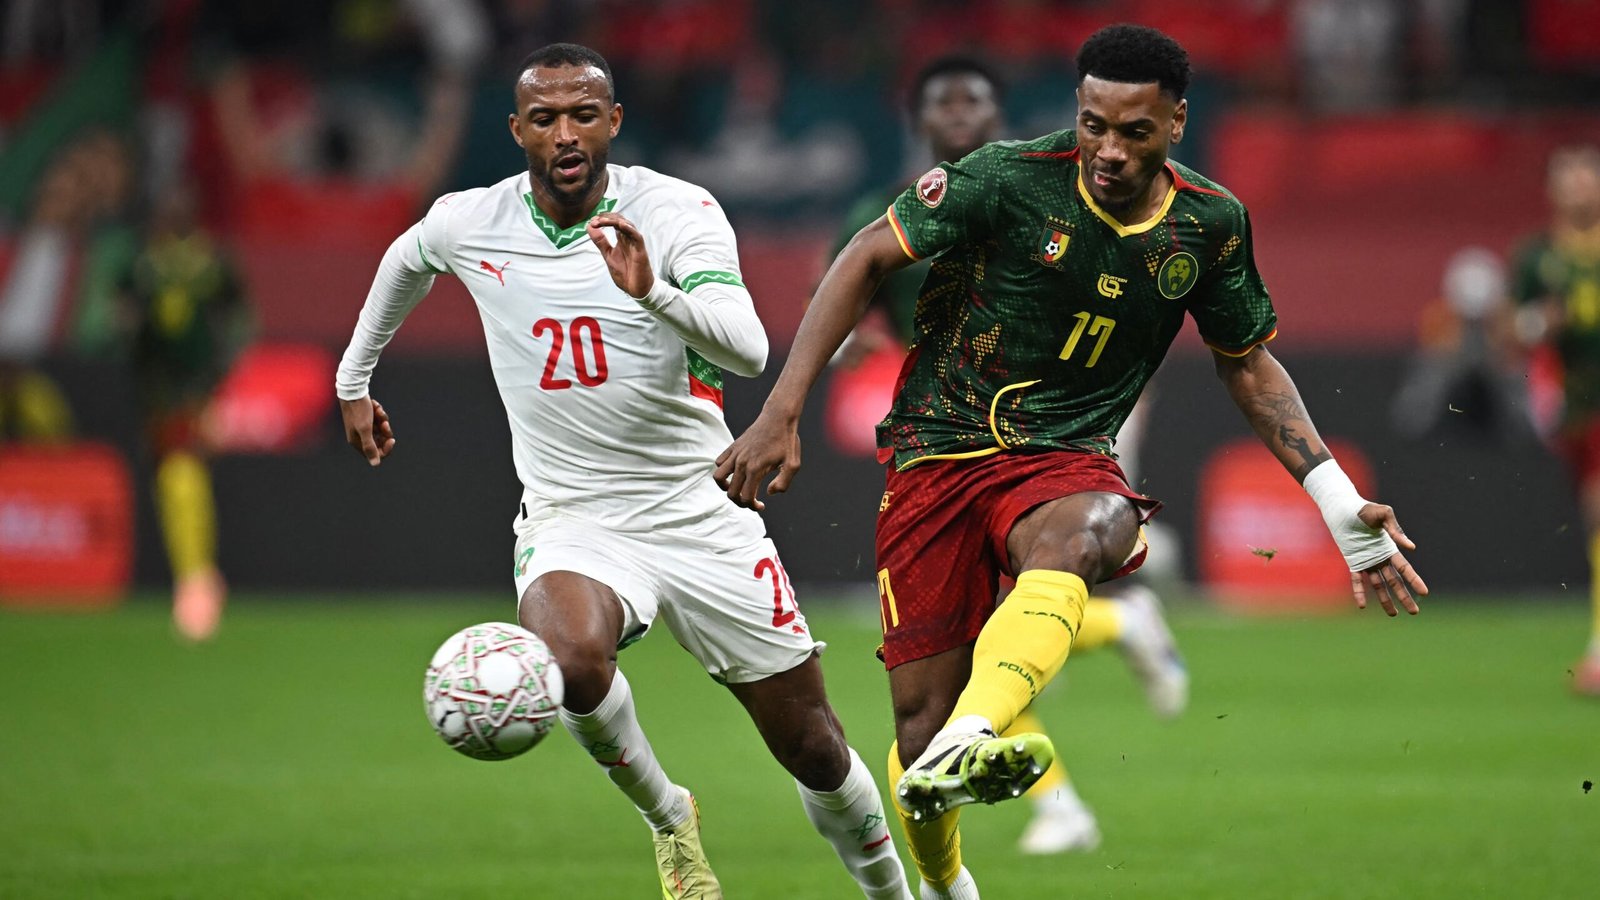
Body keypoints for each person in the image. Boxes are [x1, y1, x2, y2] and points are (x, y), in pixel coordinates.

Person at [715, 25, 1427, 898]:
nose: (1109, 150)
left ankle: (978, 730)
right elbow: (864, 255)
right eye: (1095, 125)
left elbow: (1246, 360)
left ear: (1176, 123)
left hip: (1066, 454)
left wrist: (1333, 497)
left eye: (1135, 131)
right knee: (914, 735)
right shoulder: (1008, 176)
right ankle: (945, 885)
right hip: (936, 453)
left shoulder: (1209, 223)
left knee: (1092, 526)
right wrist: (780, 412)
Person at [335, 44, 911, 900]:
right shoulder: (472, 219)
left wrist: (653, 293)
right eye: (544, 118)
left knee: (814, 747)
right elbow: (406, 260)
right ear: (517, 130)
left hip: (697, 508)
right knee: (567, 658)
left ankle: (892, 891)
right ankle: (669, 819)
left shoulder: (677, 212)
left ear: (612, 121)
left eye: (581, 114)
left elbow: (748, 348)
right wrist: (354, 379)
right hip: (575, 515)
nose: (564, 133)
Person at [833, 54, 1188, 857]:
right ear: (919, 118)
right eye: (942, 102)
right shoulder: (884, 212)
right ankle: (1119, 631)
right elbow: (857, 295)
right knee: (976, 650)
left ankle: (1057, 805)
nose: (958, 114)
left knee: (991, 637)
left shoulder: (1033, 190)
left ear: (999, 116)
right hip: (938, 437)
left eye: (975, 101)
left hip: (1041, 438)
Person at [117, 179, 252, 642]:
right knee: (176, 476)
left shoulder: (206, 263)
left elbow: (238, 320)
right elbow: (126, 321)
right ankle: (196, 578)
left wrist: (221, 380)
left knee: (181, 473)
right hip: (162, 391)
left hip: (195, 391)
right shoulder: (146, 265)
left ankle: (195, 581)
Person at [1509, 145, 1600, 696]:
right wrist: (1541, 321)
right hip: (1582, 408)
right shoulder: (1540, 258)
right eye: (1569, 176)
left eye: (1588, 174)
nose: (1581, 185)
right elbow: (1511, 331)